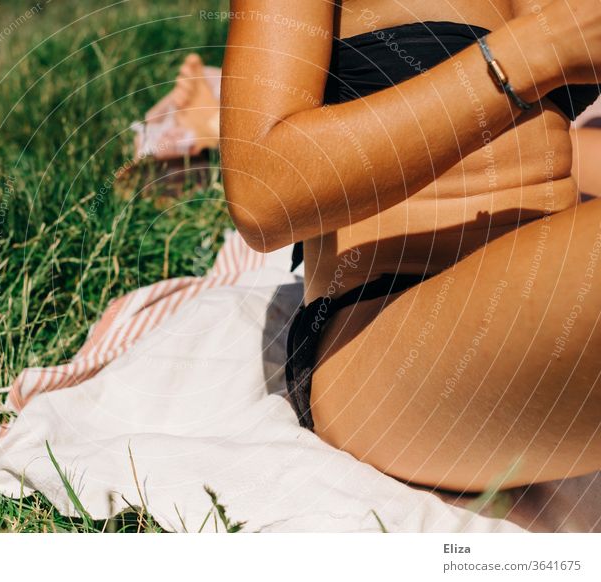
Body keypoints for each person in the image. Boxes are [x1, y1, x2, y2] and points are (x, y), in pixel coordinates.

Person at [220, 0, 601, 493]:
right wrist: (542, 50)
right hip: (383, 335)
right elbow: (262, 193)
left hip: (549, 328)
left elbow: (549, 150)